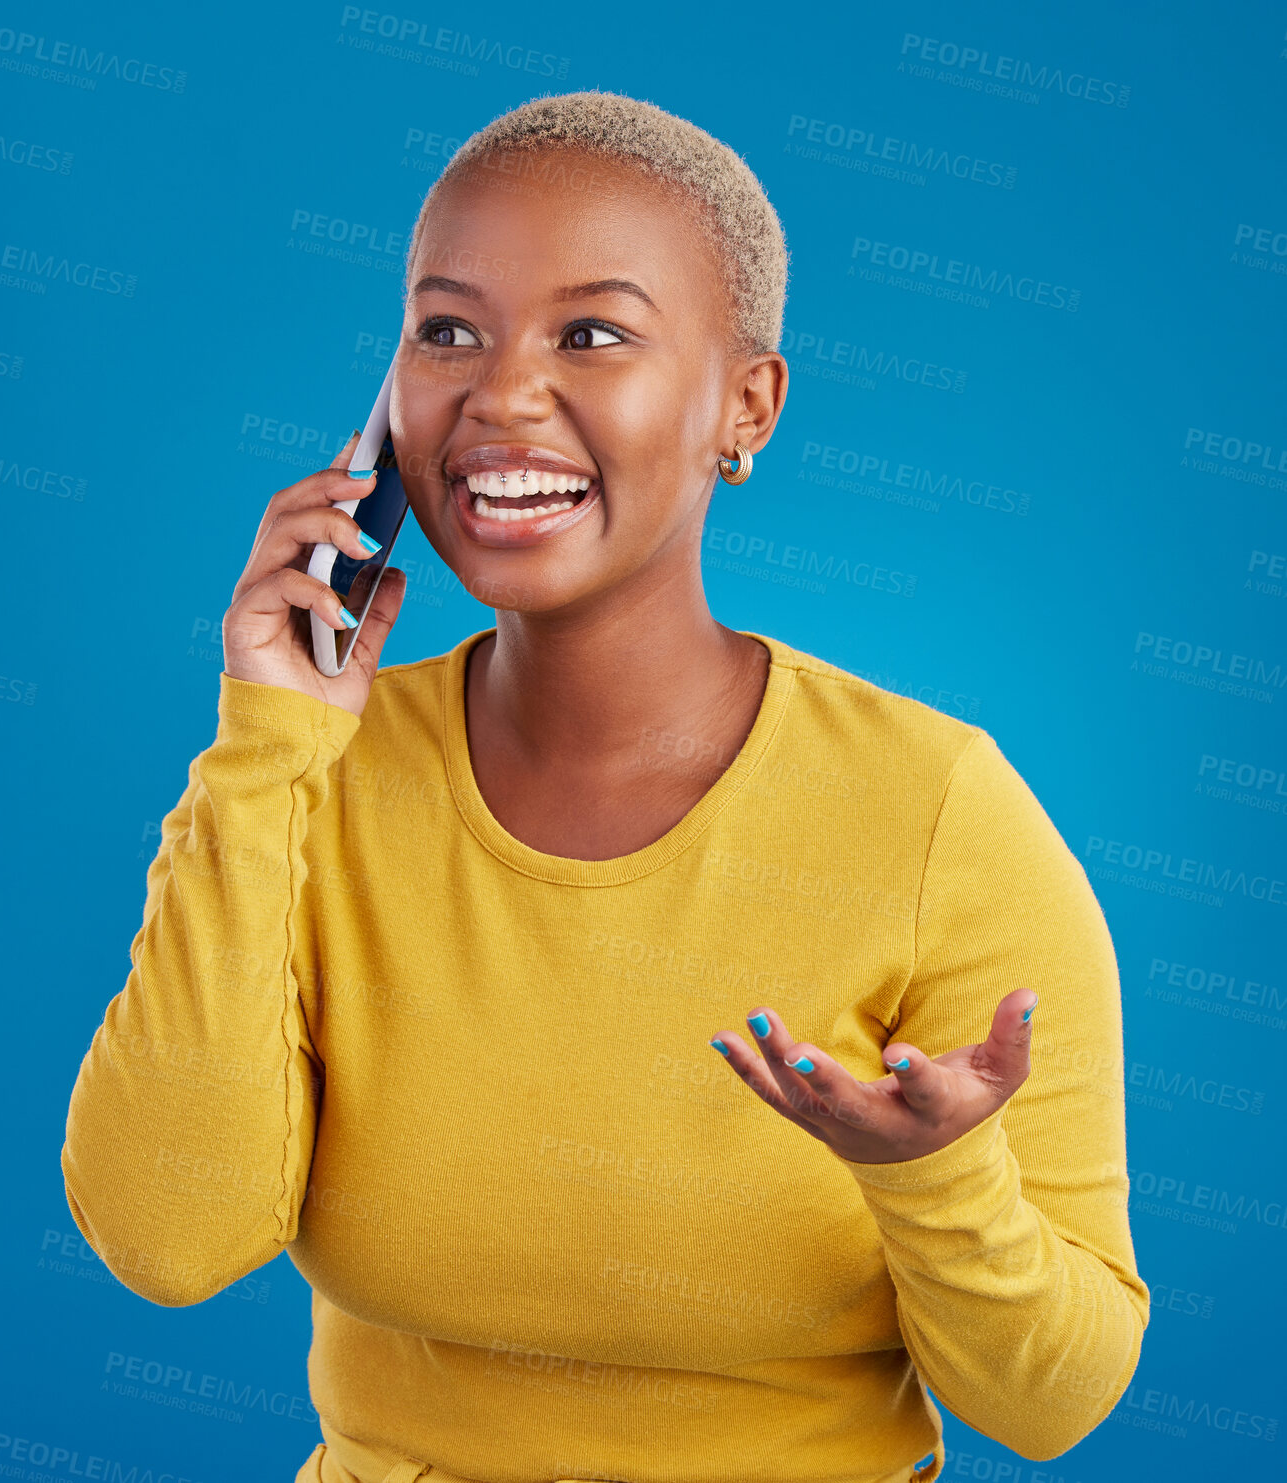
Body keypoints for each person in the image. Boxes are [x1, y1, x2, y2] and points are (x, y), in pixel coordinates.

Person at [61, 91, 1148, 1483]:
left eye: (592, 334)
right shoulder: (311, 777)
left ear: (743, 406)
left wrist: (930, 1174)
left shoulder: (939, 814)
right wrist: (269, 743)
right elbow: (166, 1241)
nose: (501, 395)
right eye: (447, 330)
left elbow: (1054, 1405)